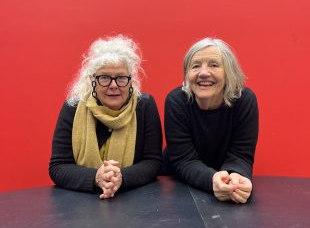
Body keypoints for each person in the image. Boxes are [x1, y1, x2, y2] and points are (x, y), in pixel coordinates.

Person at [49, 35, 162, 199]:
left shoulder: (144, 106)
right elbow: (58, 167)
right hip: (80, 205)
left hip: (134, 202)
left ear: (131, 81)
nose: (114, 85)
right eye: (104, 78)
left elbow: (153, 162)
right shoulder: (73, 107)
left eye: (121, 78)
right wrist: (96, 178)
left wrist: (121, 178)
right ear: (92, 81)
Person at [163, 37, 259, 203]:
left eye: (214, 65)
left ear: (229, 72)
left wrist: (236, 178)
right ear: (187, 74)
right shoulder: (176, 101)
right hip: (177, 186)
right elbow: (183, 160)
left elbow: (241, 156)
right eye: (195, 66)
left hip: (225, 181)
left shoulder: (245, 100)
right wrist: (212, 180)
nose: (204, 73)